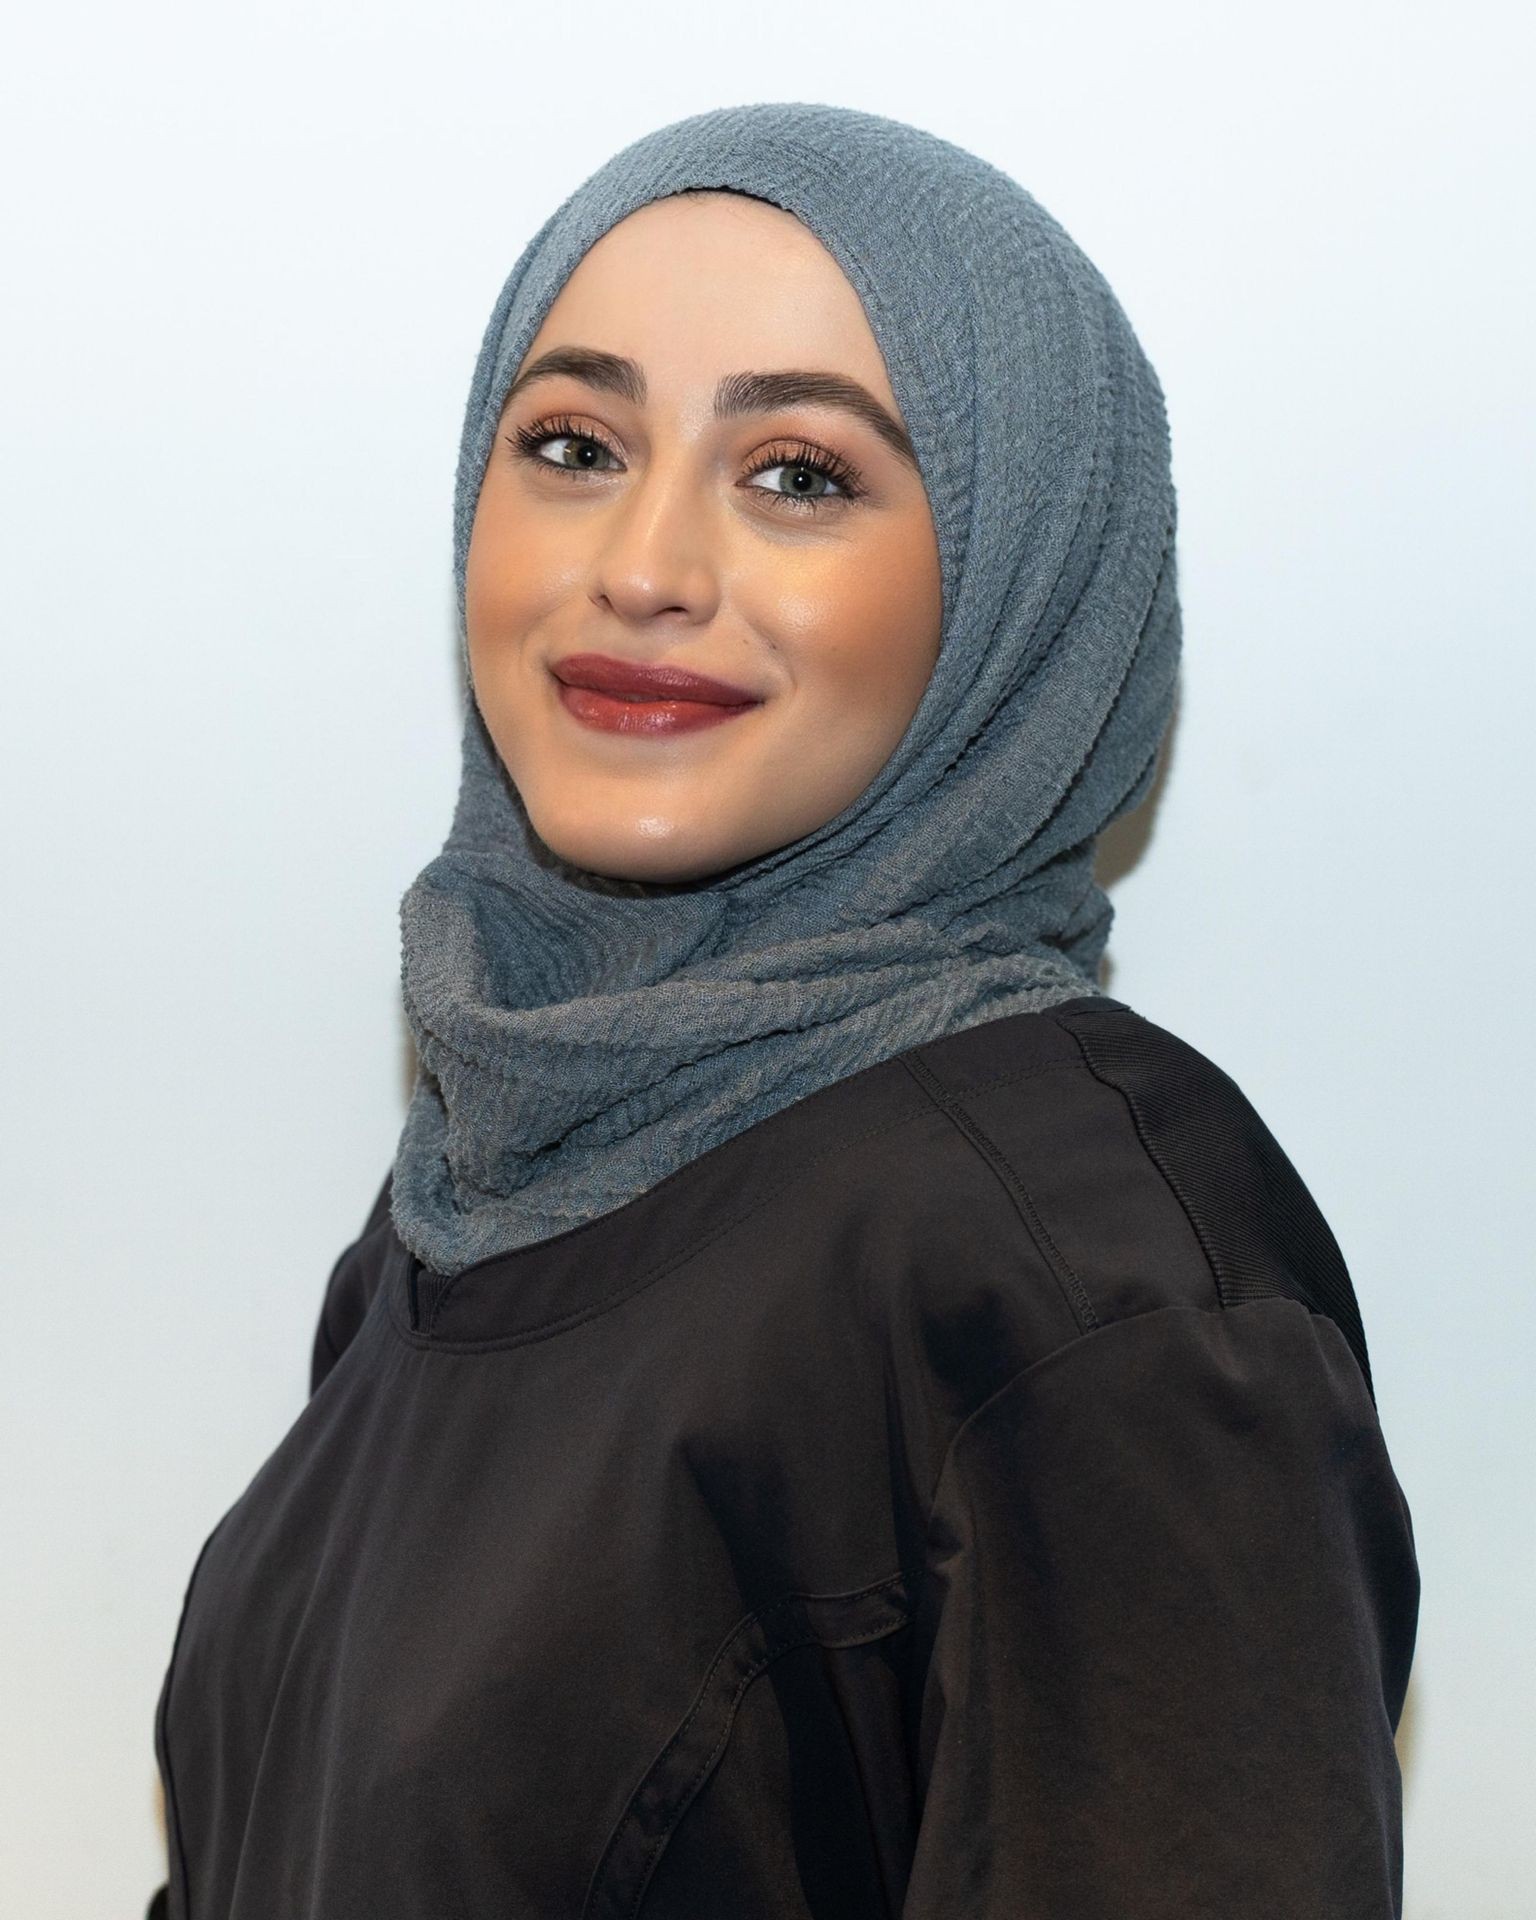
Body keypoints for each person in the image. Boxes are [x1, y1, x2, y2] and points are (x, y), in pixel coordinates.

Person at [146, 102, 1419, 1919]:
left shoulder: (1093, 1282)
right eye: (575, 443)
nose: (647, 563)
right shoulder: (485, 1176)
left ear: (1014, 586)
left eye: (800, 475)